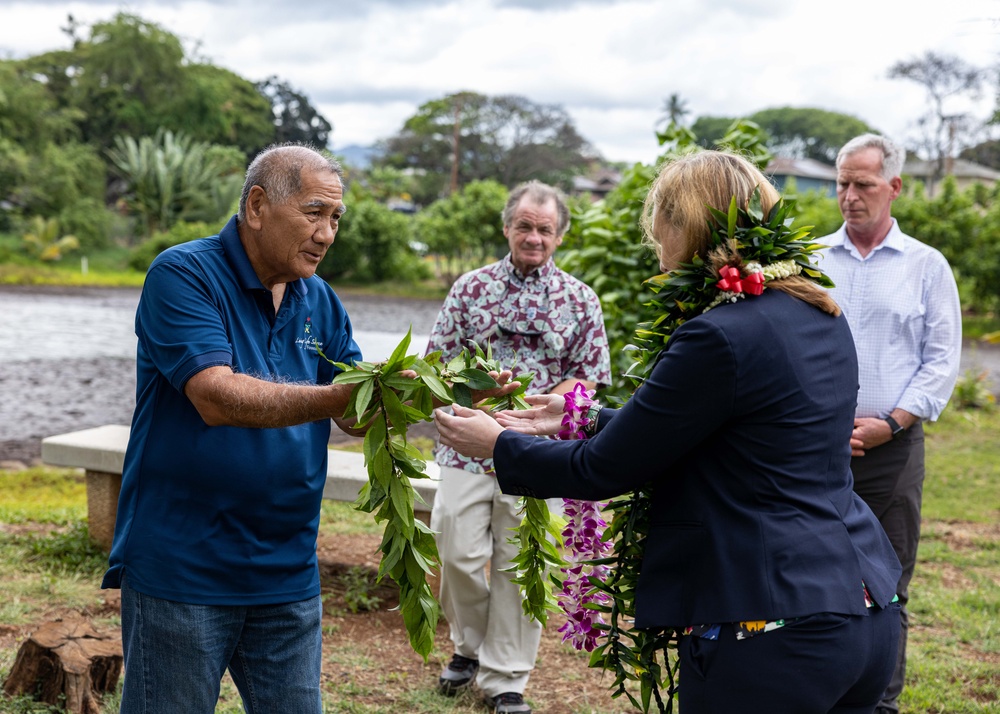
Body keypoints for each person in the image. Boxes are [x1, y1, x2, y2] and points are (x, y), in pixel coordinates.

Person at [433, 151, 903, 714]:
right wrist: (581, 417)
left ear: (688, 226)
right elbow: (726, 435)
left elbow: (604, 468)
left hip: (773, 627)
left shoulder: (717, 335)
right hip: (863, 608)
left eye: (660, 234)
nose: (658, 251)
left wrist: (498, 444)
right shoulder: (820, 311)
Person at [100, 144, 512, 713]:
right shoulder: (184, 274)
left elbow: (356, 414)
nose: (326, 234)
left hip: (286, 569)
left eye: (336, 218)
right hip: (184, 567)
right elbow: (215, 396)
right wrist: (343, 394)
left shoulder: (319, 299)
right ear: (257, 205)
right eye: (314, 213)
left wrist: (446, 391)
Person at [426, 180, 611, 714]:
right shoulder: (470, 288)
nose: (534, 237)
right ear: (507, 227)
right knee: (455, 549)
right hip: (466, 444)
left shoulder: (581, 299)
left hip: (538, 452)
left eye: (544, 229)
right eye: (524, 226)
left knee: (522, 561)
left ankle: (505, 677)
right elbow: (438, 359)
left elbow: (588, 377)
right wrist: (478, 395)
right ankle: (469, 647)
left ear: (560, 236)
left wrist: (533, 414)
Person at [818, 133, 962, 714]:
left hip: (892, 450)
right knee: (818, 577)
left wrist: (892, 423)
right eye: (842, 184)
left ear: (894, 186)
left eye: (864, 184)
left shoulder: (926, 266)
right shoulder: (811, 261)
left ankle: (880, 704)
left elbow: (941, 361)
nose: (850, 196)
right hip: (817, 449)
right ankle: (825, 693)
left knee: (887, 582)